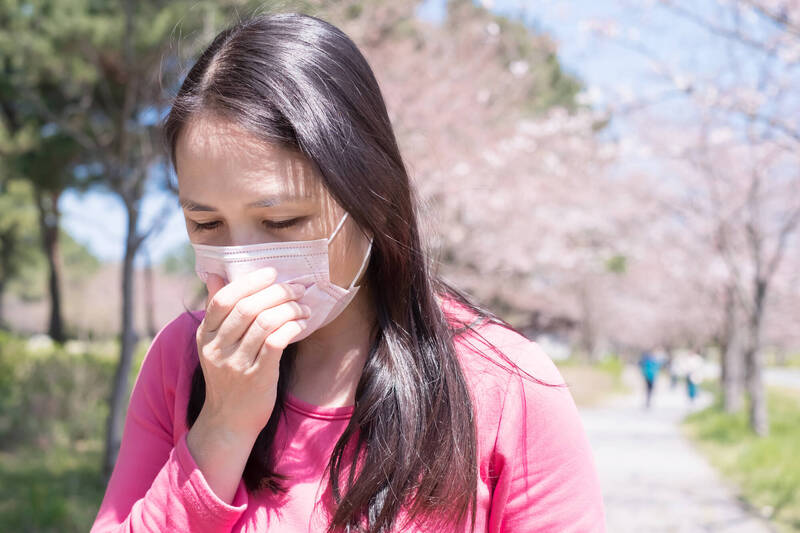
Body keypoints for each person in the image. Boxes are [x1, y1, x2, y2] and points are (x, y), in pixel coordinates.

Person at [90, 11, 605, 533]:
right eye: (206, 223)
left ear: (372, 198)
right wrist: (220, 427)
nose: (244, 264)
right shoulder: (181, 361)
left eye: (281, 221)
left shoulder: (505, 384)